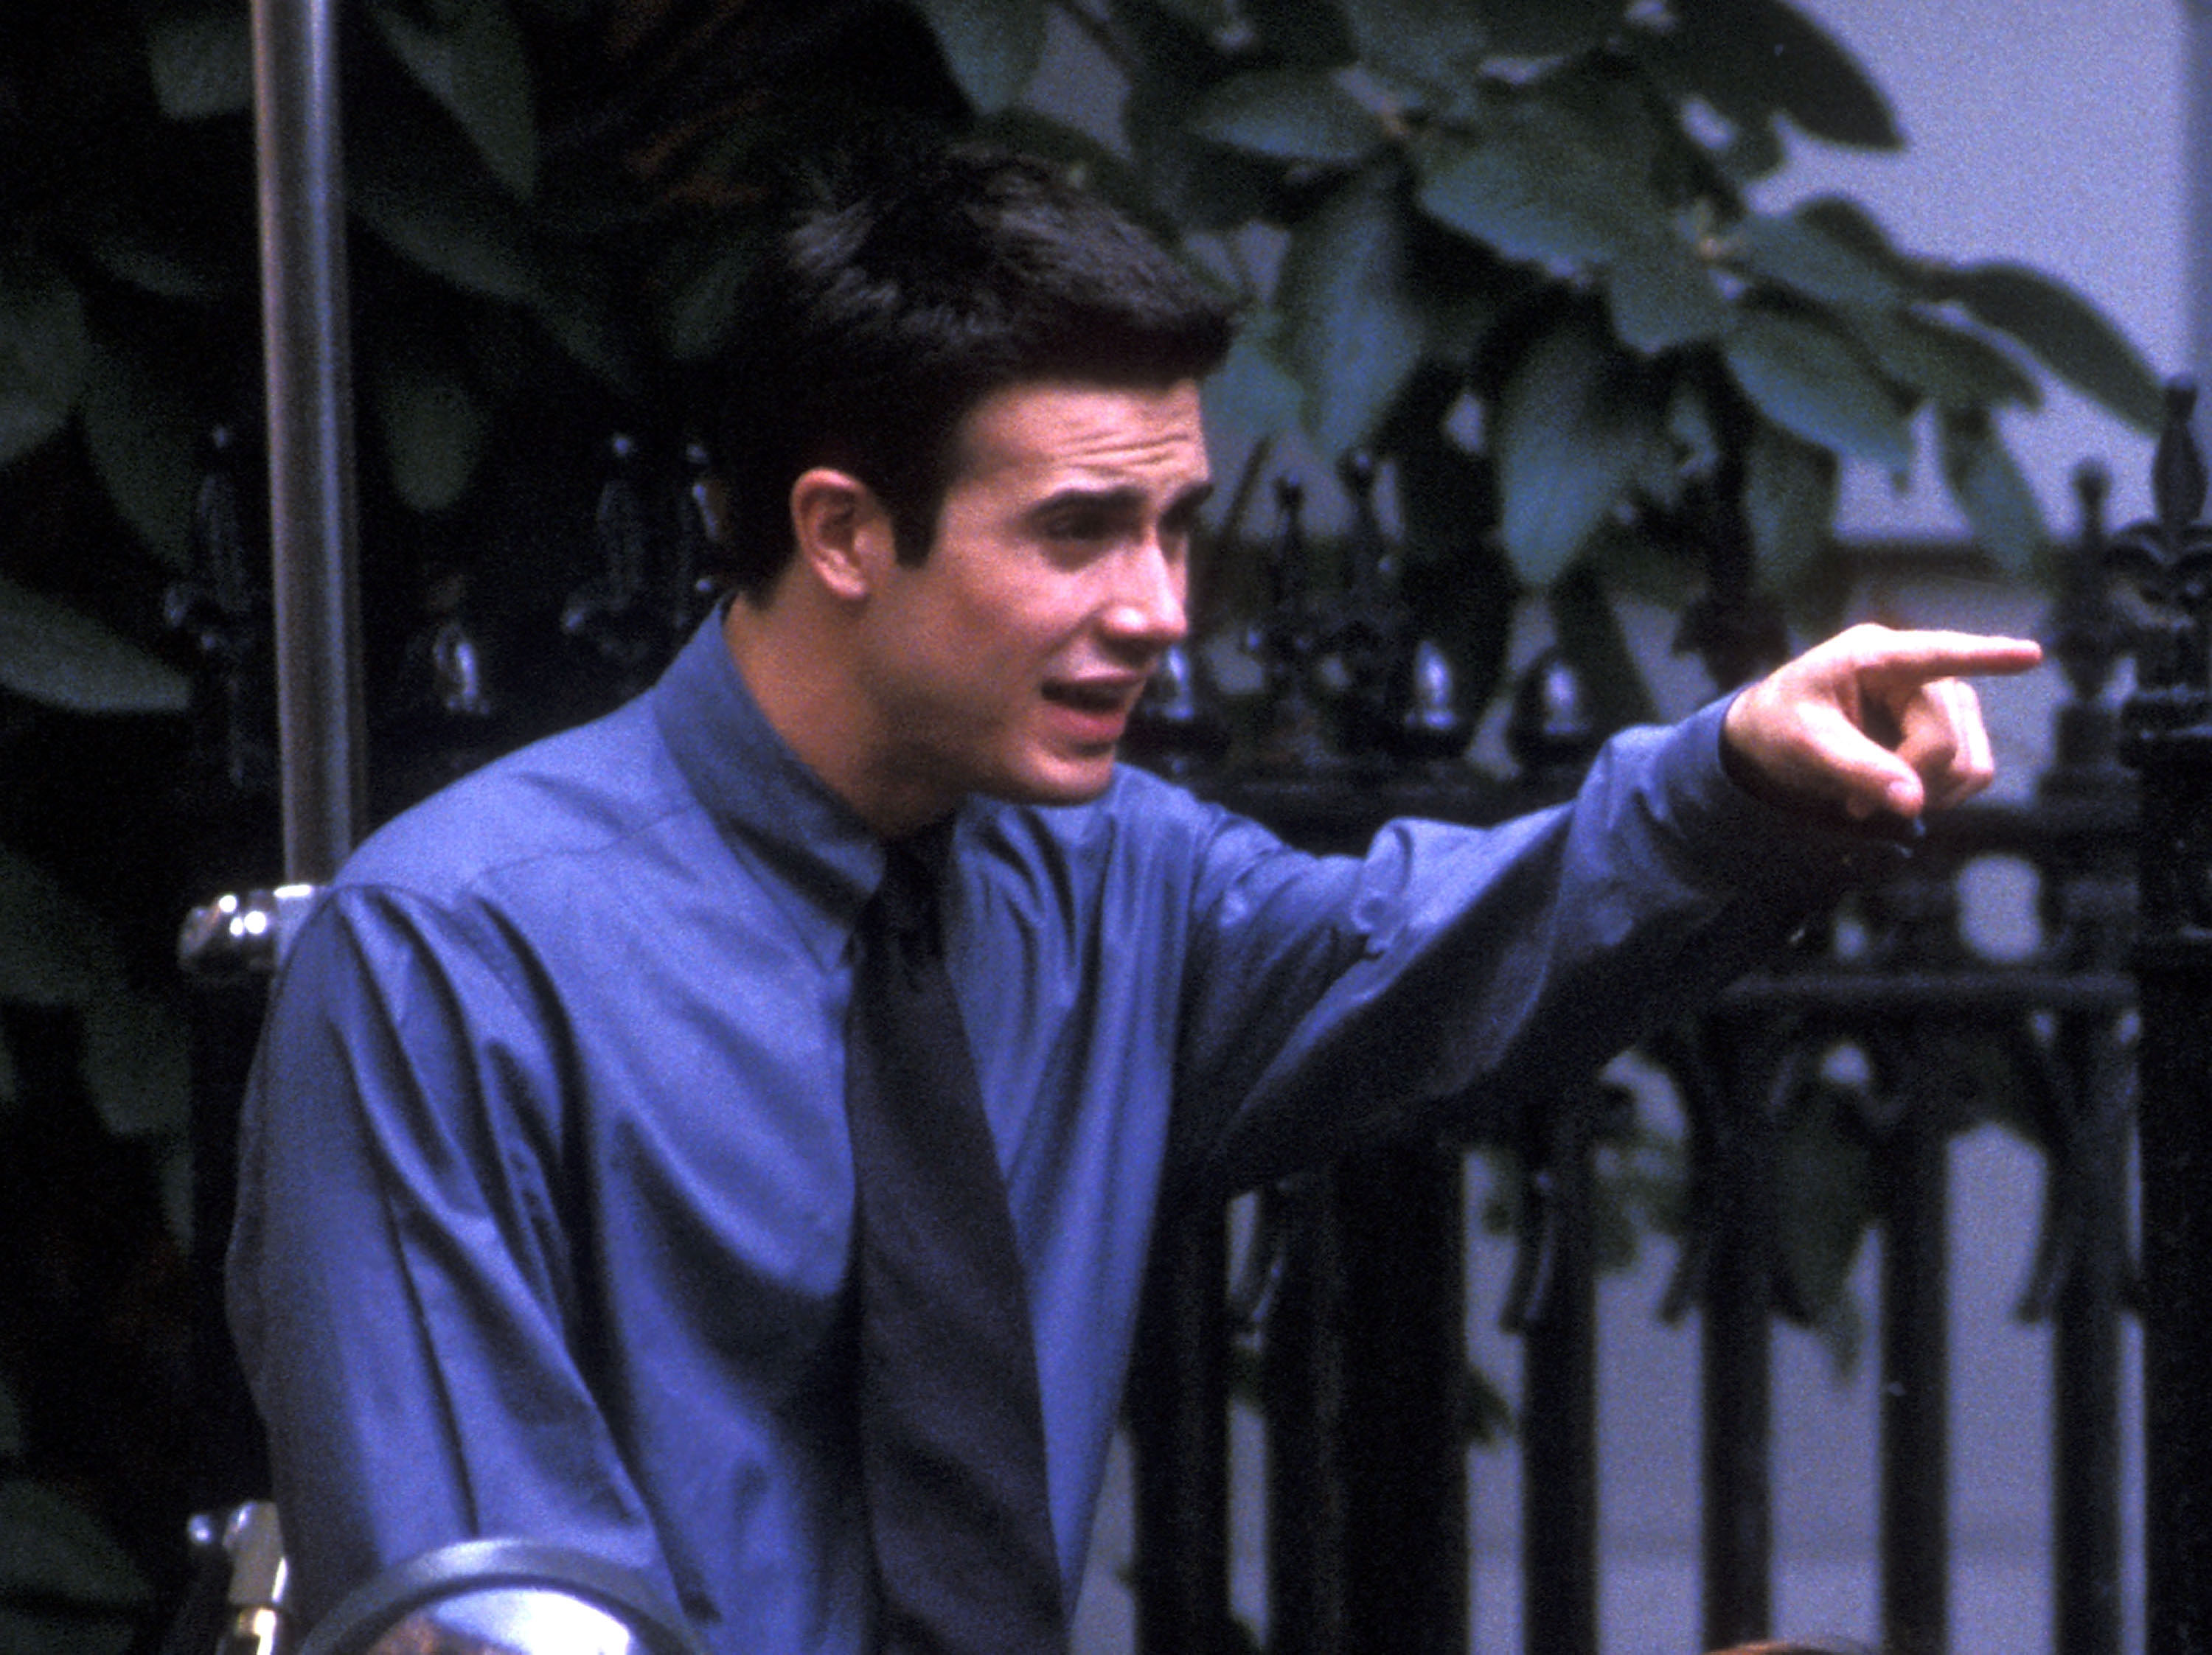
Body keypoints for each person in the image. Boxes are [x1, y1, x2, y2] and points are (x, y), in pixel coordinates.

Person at [226, 142, 2042, 1655]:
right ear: (845, 531)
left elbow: (1442, 952)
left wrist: (1739, 777)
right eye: (1081, 531)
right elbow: (490, 1610)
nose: (1163, 608)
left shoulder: (1111, 888)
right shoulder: (455, 954)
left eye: (1175, 528)